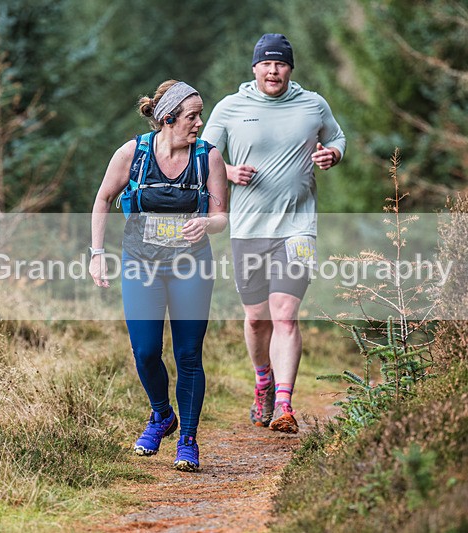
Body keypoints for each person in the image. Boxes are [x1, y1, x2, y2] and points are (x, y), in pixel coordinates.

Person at [202, 33, 345, 433]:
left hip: (298, 229)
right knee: (256, 319)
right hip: (248, 229)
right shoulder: (231, 107)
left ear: (290, 68)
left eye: (280, 63)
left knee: (285, 316)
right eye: (266, 63)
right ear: (254, 68)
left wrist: (332, 153)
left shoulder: (313, 104)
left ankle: (284, 404)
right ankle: (262, 381)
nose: (273, 70)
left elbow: (336, 136)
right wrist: (228, 171)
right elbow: (203, 155)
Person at [89, 80, 228, 471]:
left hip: (191, 267)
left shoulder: (208, 158)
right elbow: (102, 199)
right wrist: (96, 254)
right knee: (146, 350)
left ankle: (188, 439)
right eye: (192, 116)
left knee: (188, 355)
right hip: (140, 264)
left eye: (200, 115)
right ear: (167, 119)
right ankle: (162, 415)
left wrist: (207, 225)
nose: (200, 123)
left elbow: (221, 215)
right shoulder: (133, 153)